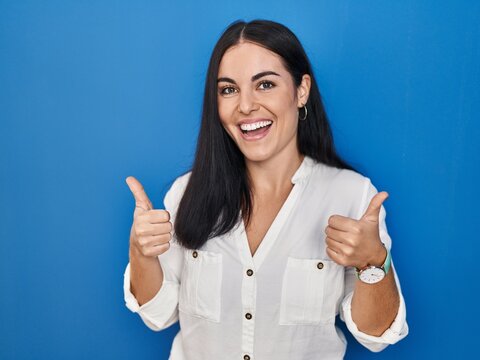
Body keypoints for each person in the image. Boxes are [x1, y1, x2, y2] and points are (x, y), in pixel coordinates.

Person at [123, 19, 408, 360]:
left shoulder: (352, 196)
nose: (245, 106)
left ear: (301, 90)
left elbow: (376, 334)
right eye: (228, 89)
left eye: (265, 85)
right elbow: (157, 313)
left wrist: (373, 261)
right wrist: (139, 251)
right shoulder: (186, 194)